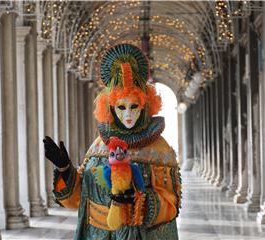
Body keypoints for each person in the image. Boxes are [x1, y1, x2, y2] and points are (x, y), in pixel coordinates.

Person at [43, 44, 181, 240]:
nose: (128, 114)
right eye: (121, 107)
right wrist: (65, 169)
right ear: (110, 108)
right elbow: (79, 199)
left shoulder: (159, 149)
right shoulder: (99, 145)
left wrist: (140, 202)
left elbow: (171, 203)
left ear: (144, 106)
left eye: (134, 106)